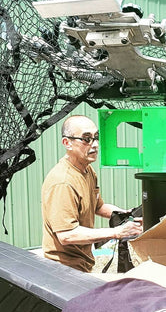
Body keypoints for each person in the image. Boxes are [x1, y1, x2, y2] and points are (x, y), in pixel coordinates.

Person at [42, 115, 142, 272]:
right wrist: (117, 232)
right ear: (67, 143)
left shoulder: (87, 170)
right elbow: (66, 235)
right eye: (86, 139)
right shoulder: (63, 182)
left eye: (96, 137)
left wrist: (126, 214)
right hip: (63, 270)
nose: (94, 145)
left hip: (82, 264)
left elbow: (98, 206)